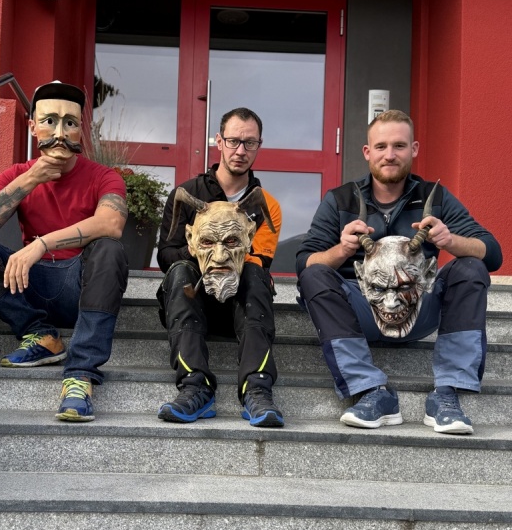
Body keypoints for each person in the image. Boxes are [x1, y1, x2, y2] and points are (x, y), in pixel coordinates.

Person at [296, 109, 502, 435]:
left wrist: (451, 240)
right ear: (367, 152)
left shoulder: (436, 197)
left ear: (414, 149)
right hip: (360, 310)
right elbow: (303, 263)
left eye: (399, 146)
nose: (389, 155)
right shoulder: (339, 200)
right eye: (381, 146)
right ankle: (370, 390)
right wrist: (342, 250)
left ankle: (447, 394)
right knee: (314, 274)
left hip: (420, 308)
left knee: (471, 267)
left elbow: (493, 253)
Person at [0, 80, 129, 423]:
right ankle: (40, 334)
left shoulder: (105, 177)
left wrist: (42, 243)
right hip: (29, 285)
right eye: (49, 121)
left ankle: (80, 376)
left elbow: (111, 223)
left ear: (80, 131)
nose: (60, 133)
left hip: (79, 286)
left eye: (70, 123)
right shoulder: (17, 175)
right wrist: (31, 179)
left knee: (109, 249)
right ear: (32, 127)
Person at [157, 107, 284, 428]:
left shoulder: (267, 206)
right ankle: (195, 386)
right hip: (192, 301)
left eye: (250, 143)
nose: (240, 150)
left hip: (240, 307)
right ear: (218, 141)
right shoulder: (186, 195)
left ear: (259, 145)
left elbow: (260, 259)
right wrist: (196, 248)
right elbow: (165, 256)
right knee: (180, 271)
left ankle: (257, 389)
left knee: (255, 272)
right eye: (233, 141)